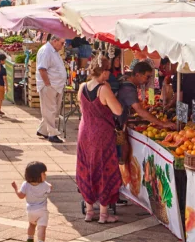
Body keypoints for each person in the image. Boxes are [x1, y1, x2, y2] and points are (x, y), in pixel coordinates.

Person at [75, 55, 124, 223]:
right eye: (108, 70)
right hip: (102, 134)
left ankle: (89, 211)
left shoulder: (82, 87)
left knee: (86, 168)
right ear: (103, 72)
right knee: (104, 169)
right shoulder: (104, 89)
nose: (110, 73)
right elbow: (117, 110)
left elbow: (82, 109)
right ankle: (104, 214)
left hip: (85, 132)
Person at [117, 62, 178, 129]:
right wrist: (162, 124)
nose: (148, 80)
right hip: (117, 122)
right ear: (138, 75)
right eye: (147, 77)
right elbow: (139, 110)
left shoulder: (125, 79)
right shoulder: (129, 89)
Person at [11, 161, 51, 242]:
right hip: (42, 212)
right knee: (42, 228)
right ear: (38, 175)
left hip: (30, 211)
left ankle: (30, 239)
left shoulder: (25, 184)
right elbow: (50, 189)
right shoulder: (45, 185)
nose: (45, 175)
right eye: (44, 173)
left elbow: (21, 196)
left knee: (32, 225)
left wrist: (16, 188)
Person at [35, 35, 67, 144]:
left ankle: (43, 130)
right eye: (62, 43)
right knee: (50, 109)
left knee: (52, 109)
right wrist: (48, 84)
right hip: (50, 86)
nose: (63, 46)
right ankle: (52, 133)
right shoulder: (46, 51)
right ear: (54, 41)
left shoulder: (53, 51)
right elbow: (42, 69)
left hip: (55, 85)